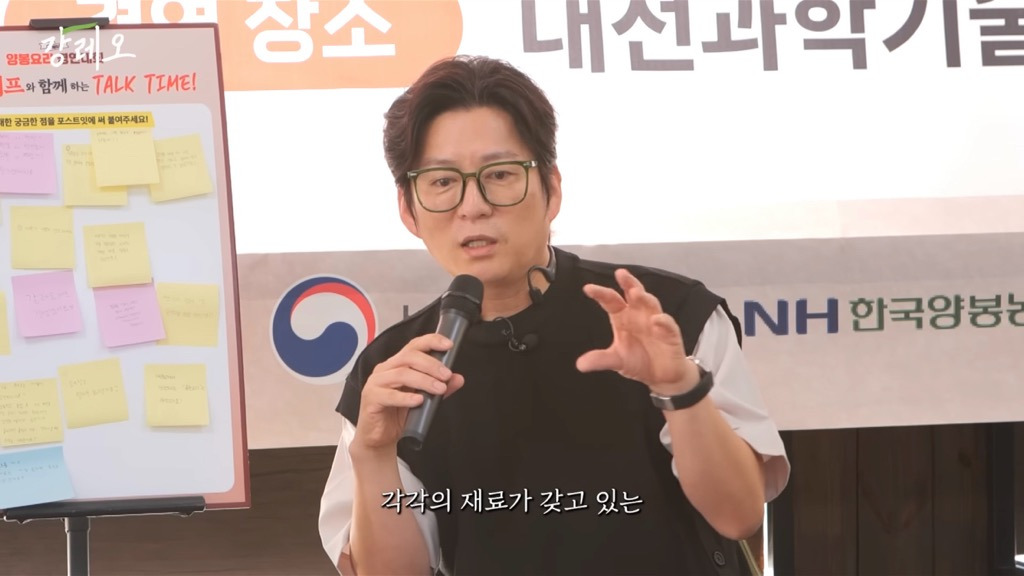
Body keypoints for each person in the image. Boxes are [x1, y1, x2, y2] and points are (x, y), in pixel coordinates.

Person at [318, 55, 789, 576]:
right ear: (409, 210)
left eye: (500, 175)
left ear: (552, 189)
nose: (472, 206)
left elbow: (739, 515)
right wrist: (374, 453)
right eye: (442, 181)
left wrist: (679, 386)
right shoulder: (391, 371)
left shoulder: (666, 316)